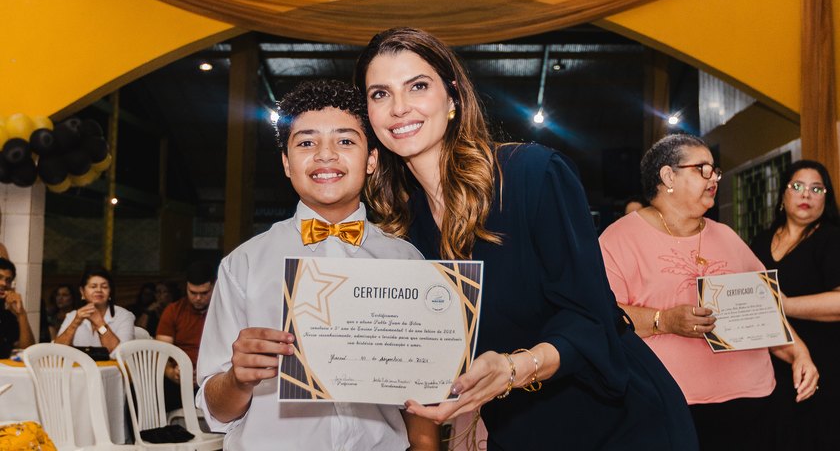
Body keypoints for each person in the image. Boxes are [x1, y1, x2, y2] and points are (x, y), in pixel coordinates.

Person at [355, 27, 698, 451]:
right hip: (519, 430)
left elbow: (592, 319)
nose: (399, 108)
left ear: (453, 97)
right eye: (380, 94)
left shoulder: (532, 175)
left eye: (418, 86)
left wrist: (516, 368)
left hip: (618, 423)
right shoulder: (404, 230)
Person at [196, 79, 438, 450]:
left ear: (371, 159)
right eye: (306, 142)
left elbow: (420, 398)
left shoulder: (406, 260)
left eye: (345, 141)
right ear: (286, 163)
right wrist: (238, 379)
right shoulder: (243, 264)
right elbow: (217, 409)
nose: (325, 155)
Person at [599, 134, 819, 450]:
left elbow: (765, 310)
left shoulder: (726, 236)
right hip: (669, 404)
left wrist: (799, 352)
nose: (714, 177)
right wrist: (665, 320)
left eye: (715, 170)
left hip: (752, 401)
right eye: (702, 169)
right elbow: (603, 315)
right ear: (667, 176)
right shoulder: (619, 238)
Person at [749, 159, 840, 450]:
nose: (806, 195)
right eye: (798, 186)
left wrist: (782, 305)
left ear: (826, 198)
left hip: (822, 366)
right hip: (766, 365)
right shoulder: (760, 242)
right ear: (783, 195)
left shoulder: (831, 239)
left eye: (817, 189)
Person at [156, 261, 216, 412]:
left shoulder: (225, 312)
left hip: (214, 378)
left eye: (204, 293)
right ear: (186, 288)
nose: (197, 298)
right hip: (179, 378)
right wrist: (171, 373)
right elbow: (161, 352)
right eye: (193, 292)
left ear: (214, 287)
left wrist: (207, 372)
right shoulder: (174, 310)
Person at [55, 266, 135, 357]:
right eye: (93, 286)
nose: (99, 290)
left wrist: (100, 323)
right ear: (82, 292)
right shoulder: (72, 316)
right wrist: (75, 323)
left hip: (112, 371)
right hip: (78, 370)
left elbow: (122, 354)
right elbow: (57, 352)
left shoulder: (124, 316)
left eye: (104, 287)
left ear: (110, 291)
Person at [0, 258, 35, 358]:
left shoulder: (6, 315)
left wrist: (21, 314)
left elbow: (27, 351)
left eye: (8, 280)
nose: (4, 283)